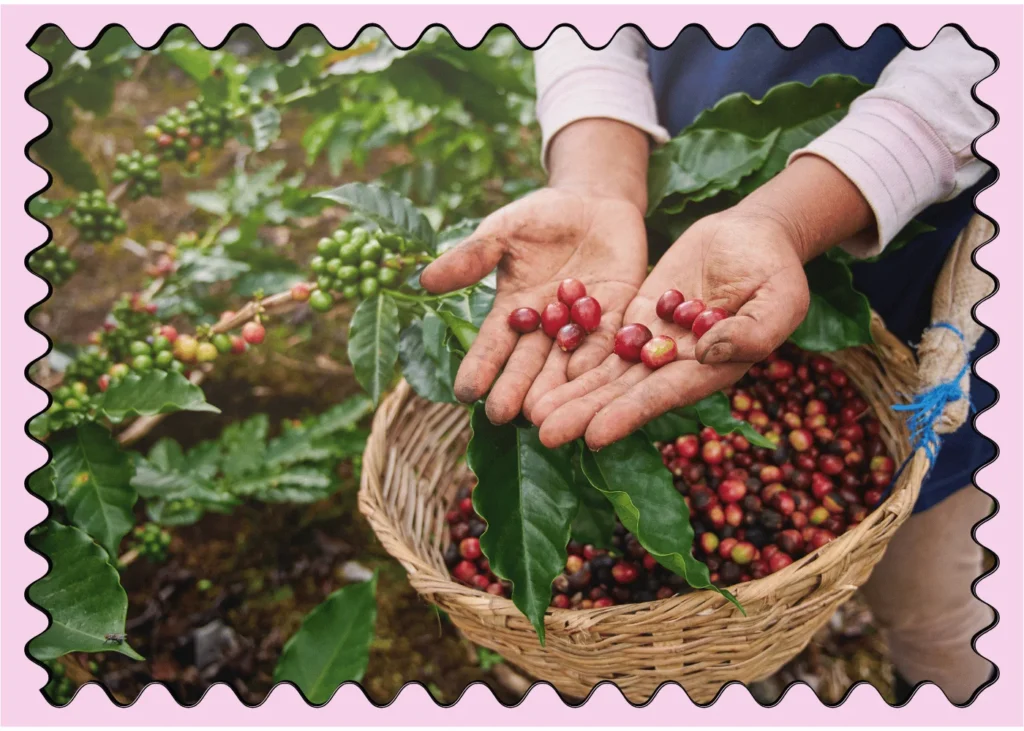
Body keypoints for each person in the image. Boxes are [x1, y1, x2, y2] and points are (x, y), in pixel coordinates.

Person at [419, 25, 996, 704]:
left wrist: (790, 218)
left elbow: (987, 53)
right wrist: (598, 180)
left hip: (913, 240)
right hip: (672, 229)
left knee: (933, 601)